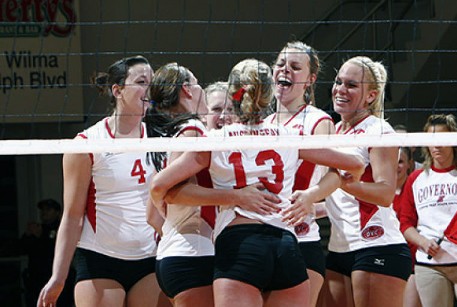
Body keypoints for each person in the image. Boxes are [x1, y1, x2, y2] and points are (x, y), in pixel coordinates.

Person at [150, 58, 365, 307]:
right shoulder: (289, 137)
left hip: (240, 247)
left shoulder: (215, 140)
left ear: (232, 95)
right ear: (268, 95)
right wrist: (329, 187)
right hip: (286, 247)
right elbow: (355, 164)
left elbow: (159, 186)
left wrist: (229, 197)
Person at [144, 63, 280, 307]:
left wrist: (175, 229)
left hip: (176, 255)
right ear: (187, 90)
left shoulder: (174, 132)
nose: (224, 114)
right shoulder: (194, 131)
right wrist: (236, 196)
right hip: (194, 255)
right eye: (216, 108)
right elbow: (159, 187)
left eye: (229, 108)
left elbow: (153, 216)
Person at [37, 55, 167, 307]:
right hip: (101, 260)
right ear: (117, 90)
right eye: (141, 81)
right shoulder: (87, 144)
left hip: (151, 258)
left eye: (152, 82)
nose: (149, 89)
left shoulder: (163, 139)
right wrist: (58, 276)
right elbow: (72, 216)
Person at [296, 56, 412, 307]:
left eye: (351, 85)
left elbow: (384, 194)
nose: (340, 89)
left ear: (371, 96)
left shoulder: (378, 130)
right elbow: (340, 199)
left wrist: (341, 182)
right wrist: (310, 208)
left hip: (378, 245)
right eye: (339, 82)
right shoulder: (334, 130)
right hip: (339, 248)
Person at [264, 41, 334, 307]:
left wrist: (311, 197)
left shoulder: (319, 121)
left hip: (301, 237)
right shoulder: (263, 124)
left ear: (310, 80)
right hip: (263, 236)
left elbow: (336, 176)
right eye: (281, 64)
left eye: (295, 67)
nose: (285, 71)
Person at [399, 114, 457, 307]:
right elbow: (405, 224)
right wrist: (423, 242)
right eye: (431, 141)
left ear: (454, 140)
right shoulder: (416, 179)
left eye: (442, 140)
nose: (437, 146)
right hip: (430, 264)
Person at [19, 199, 74, 307]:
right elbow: (22, 248)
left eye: (48, 209)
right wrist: (28, 235)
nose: (44, 212)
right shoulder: (39, 228)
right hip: (36, 279)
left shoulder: (62, 228)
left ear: (57, 212)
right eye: (42, 210)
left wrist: (41, 237)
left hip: (56, 278)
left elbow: (60, 249)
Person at [392, 147, 422, 307]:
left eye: (401, 162)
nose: (396, 166)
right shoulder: (376, 190)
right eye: (392, 161)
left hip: (413, 264)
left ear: (410, 164)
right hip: (386, 263)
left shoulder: (417, 188)